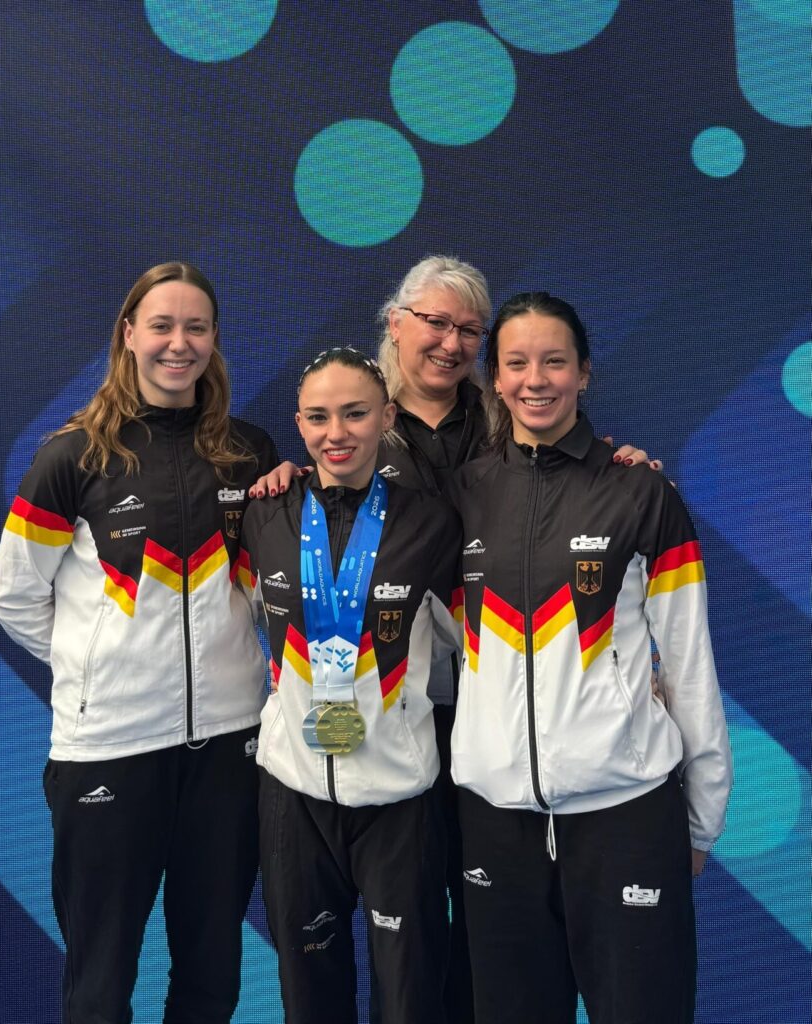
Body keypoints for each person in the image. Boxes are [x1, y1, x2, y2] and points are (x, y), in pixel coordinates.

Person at [249, 255, 658, 1023]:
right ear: (394, 325)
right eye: (434, 322)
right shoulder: (350, 417)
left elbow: (568, 479)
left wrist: (619, 467)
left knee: (475, 929)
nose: (450, 341)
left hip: (492, 710)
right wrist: (282, 479)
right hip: (377, 710)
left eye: (469, 329)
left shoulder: (506, 410)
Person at [0, 262, 279, 1024]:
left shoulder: (247, 451)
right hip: (109, 750)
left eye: (196, 327)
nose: (178, 343)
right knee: (100, 980)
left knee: (213, 968)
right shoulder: (74, 455)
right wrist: (98, 669)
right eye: (161, 325)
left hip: (228, 747)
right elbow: (14, 594)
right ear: (128, 334)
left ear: (214, 340)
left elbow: (256, 586)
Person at [448, 292, 733, 1024]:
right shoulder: (465, 495)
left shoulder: (640, 492)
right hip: (496, 822)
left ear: (584, 373)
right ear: (495, 379)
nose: (535, 380)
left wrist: (700, 821)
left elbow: (692, 667)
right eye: (516, 363)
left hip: (624, 820)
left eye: (554, 361)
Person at [237, 347, 462, 1024]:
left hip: (400, 798)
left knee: (408, 1000)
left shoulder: (432, 523)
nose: (337, 432)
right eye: (318, 416)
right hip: (292, 792)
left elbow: (484, 651)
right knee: (310, 998)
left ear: (386, 417)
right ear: (299, 426)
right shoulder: (264, 515)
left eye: (356, 413)